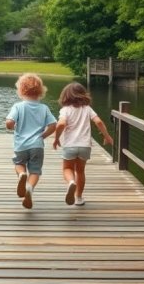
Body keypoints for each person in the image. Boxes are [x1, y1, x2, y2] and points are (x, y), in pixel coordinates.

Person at [53, 82, 113, 206]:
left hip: (70, 145)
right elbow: (99, 122)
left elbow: (61, 124)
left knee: (67, 168)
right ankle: (79, 198)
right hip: (85, 146)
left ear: (65, 96)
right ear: (83, 95)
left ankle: (71, 182)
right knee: (80, 171)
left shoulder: (65, 110)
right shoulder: (87, 109)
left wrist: (56, 138)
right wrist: (107, 136)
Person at [6, 74, 57, 209]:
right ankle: (29, 188)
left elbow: (9, 123)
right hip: (37, 145)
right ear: (40, 91)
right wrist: (43, 135)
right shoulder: (44, 108)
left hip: (20, 145)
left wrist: (12, 127)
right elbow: (53, 125)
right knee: (35, 171)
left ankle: (22, 174)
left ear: (21, 90)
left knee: (19, 163)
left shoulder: (18, 107)